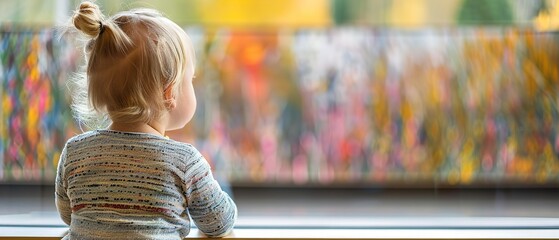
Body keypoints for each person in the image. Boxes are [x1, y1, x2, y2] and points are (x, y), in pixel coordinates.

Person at [55, 2, 237, 239]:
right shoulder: (184, 162)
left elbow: (69, 215)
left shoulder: (74, 152)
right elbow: (219, 222)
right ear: (169, 93)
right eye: (190, 79)